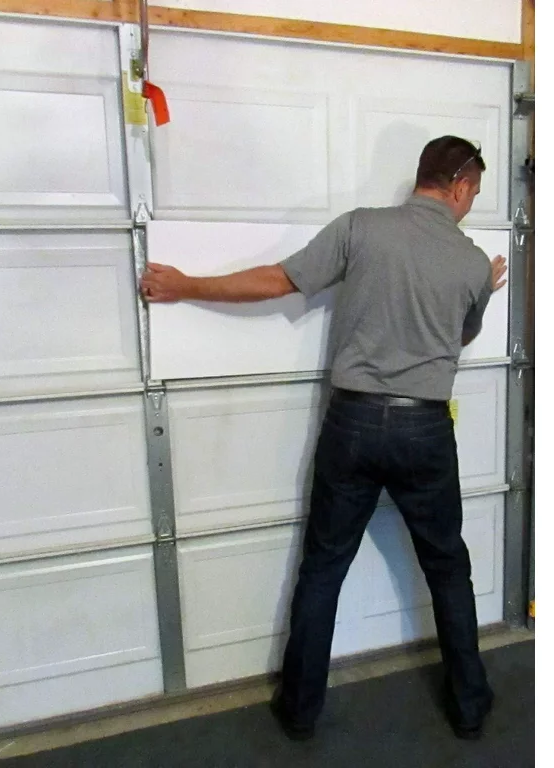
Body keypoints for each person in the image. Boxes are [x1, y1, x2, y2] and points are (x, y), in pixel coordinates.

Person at [140, 135, 508, 741]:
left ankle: (299, 710)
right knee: (447, 567)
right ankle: (469, 707)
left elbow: (277, 280)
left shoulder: (361, 228)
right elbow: (458, 340)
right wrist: (482, 290)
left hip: (354, 422)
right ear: (461, 184)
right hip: (424, 431)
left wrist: (186, 284)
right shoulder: (471, 262)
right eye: (474, 192)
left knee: (324, 566)